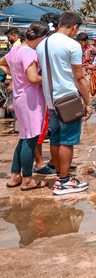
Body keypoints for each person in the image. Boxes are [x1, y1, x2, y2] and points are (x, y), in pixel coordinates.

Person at [37, 11, 92, 195]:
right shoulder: (72, 45)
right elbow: (79, 77)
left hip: (51, 100)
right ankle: (64, 182)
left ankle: (60, 175)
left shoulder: (42, 43)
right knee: (68, 141)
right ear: (75, 27)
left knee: (56, 138)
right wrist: (88, 102)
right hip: (68, 99)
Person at [0, 22, 50, 190]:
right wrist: (53, 80)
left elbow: (2, 62)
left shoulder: (16, 49)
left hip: (20, 96)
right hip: (31, 100)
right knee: (30, 139)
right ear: (42, 38)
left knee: (24, 138)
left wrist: (14, 73)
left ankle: (15, 175)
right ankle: (28, 179)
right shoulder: (29, 52)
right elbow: (34, 78)